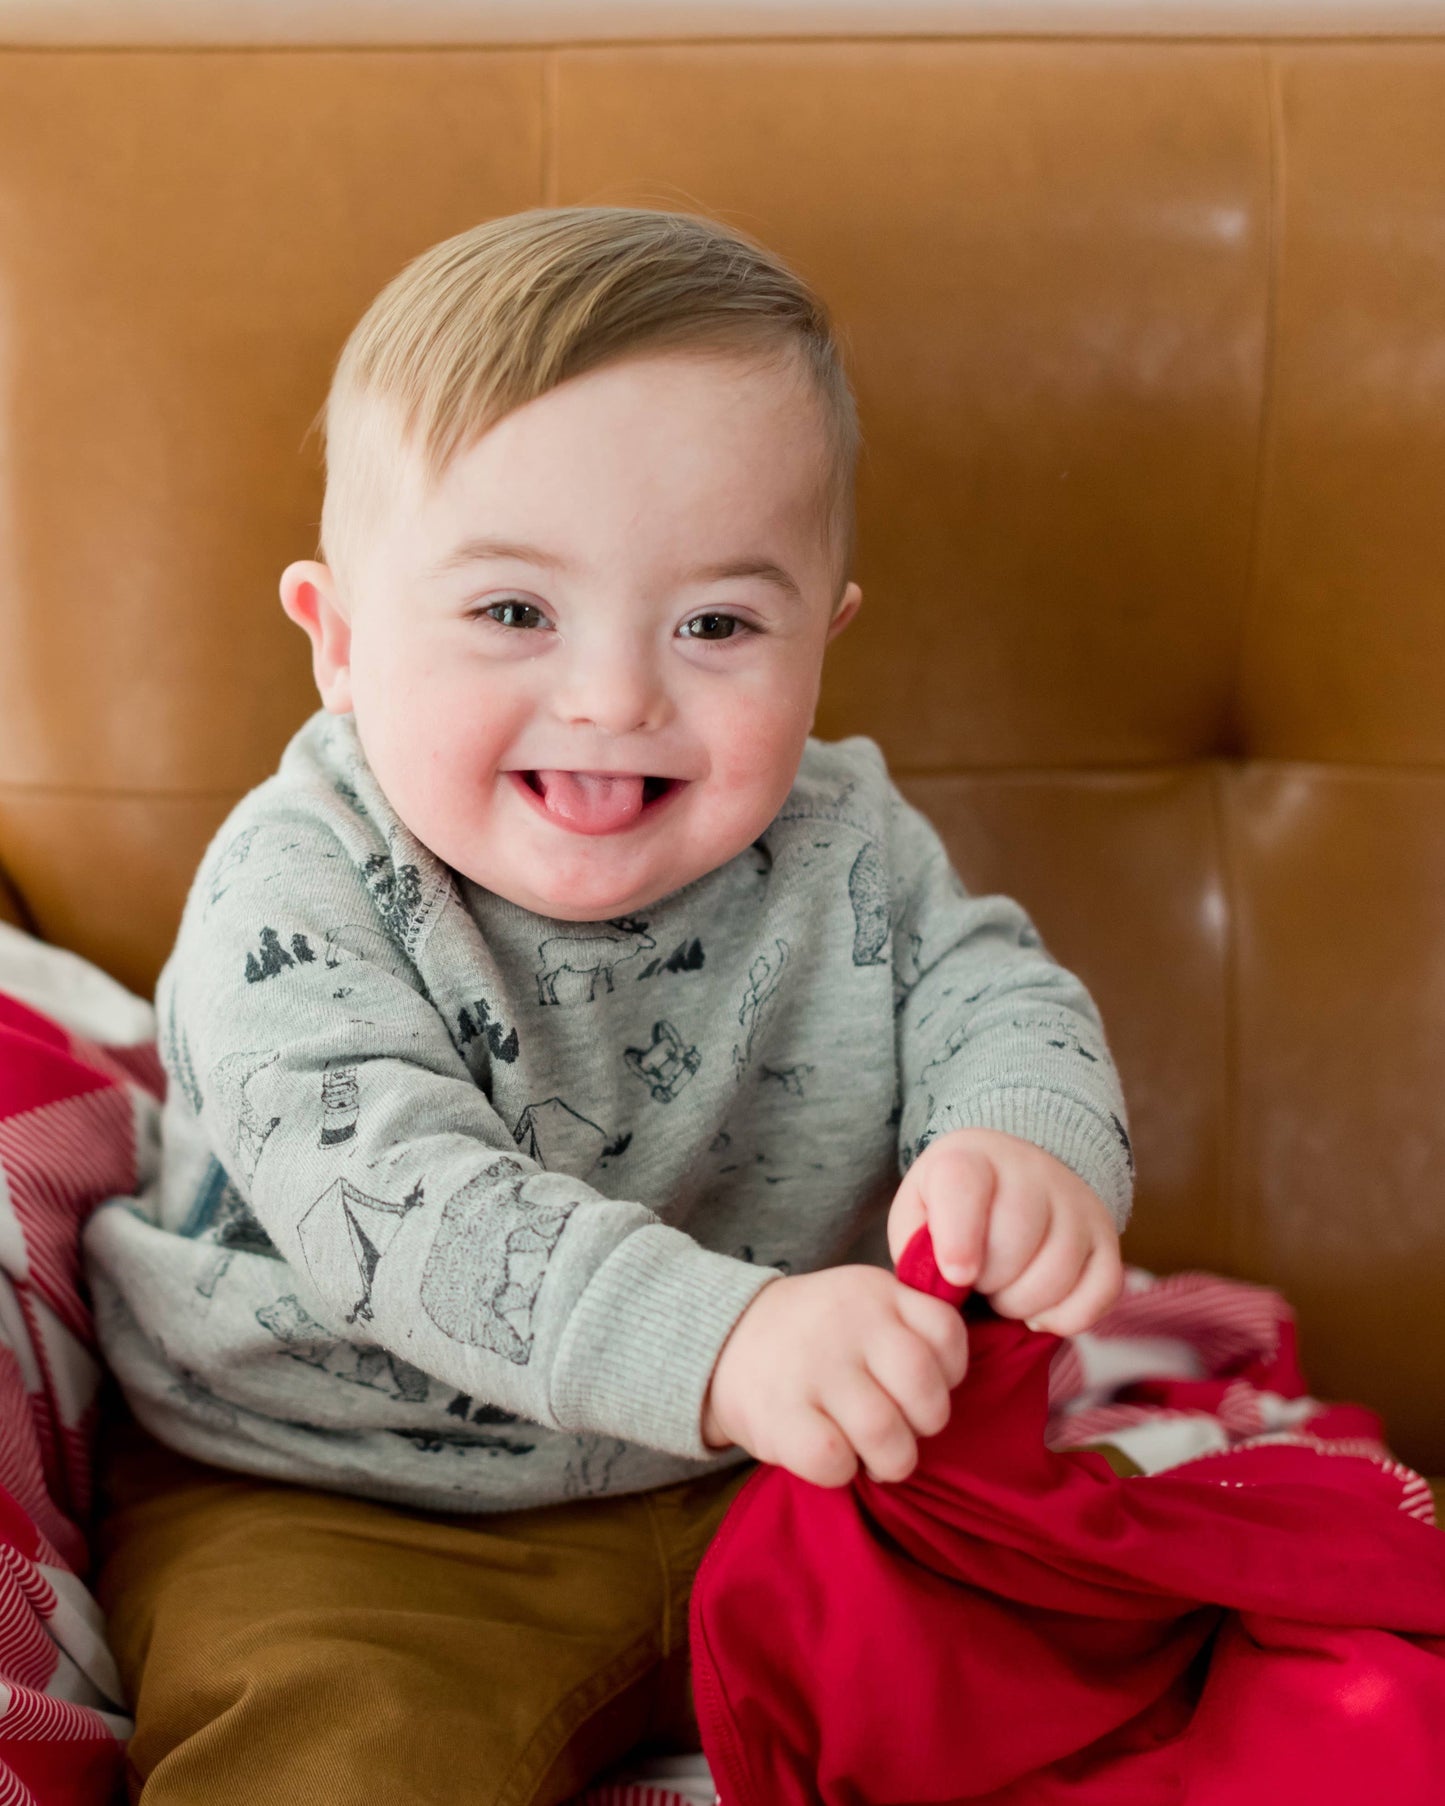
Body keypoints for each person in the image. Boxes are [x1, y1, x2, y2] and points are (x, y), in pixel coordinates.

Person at [85, 206, 1134, 1806]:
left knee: (1127, 1672)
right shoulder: (295, 893)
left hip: (770, 1463)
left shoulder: (842, 842)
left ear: (820, 636)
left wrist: (1025, 1139)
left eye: (716, 624)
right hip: (346, 1500)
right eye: (514, 612)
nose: (616, 695)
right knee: (332, 1753)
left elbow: (991, 984)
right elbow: (401, 1204)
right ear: (342, 644)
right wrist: (724, 1337)